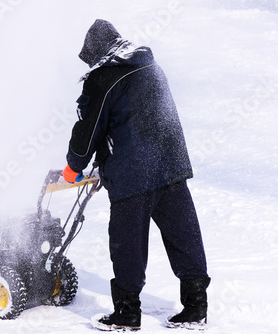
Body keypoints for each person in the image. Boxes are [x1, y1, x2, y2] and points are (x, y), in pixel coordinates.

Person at [62, 19, 210, 331]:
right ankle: (196, 307)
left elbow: (88, 131)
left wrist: (73, 167)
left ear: (96, 53)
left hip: (133, 175)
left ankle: (127, 314)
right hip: (171, 165)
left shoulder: (103, 78)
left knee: (127, 243)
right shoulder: (149, 64)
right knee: (183, 235)